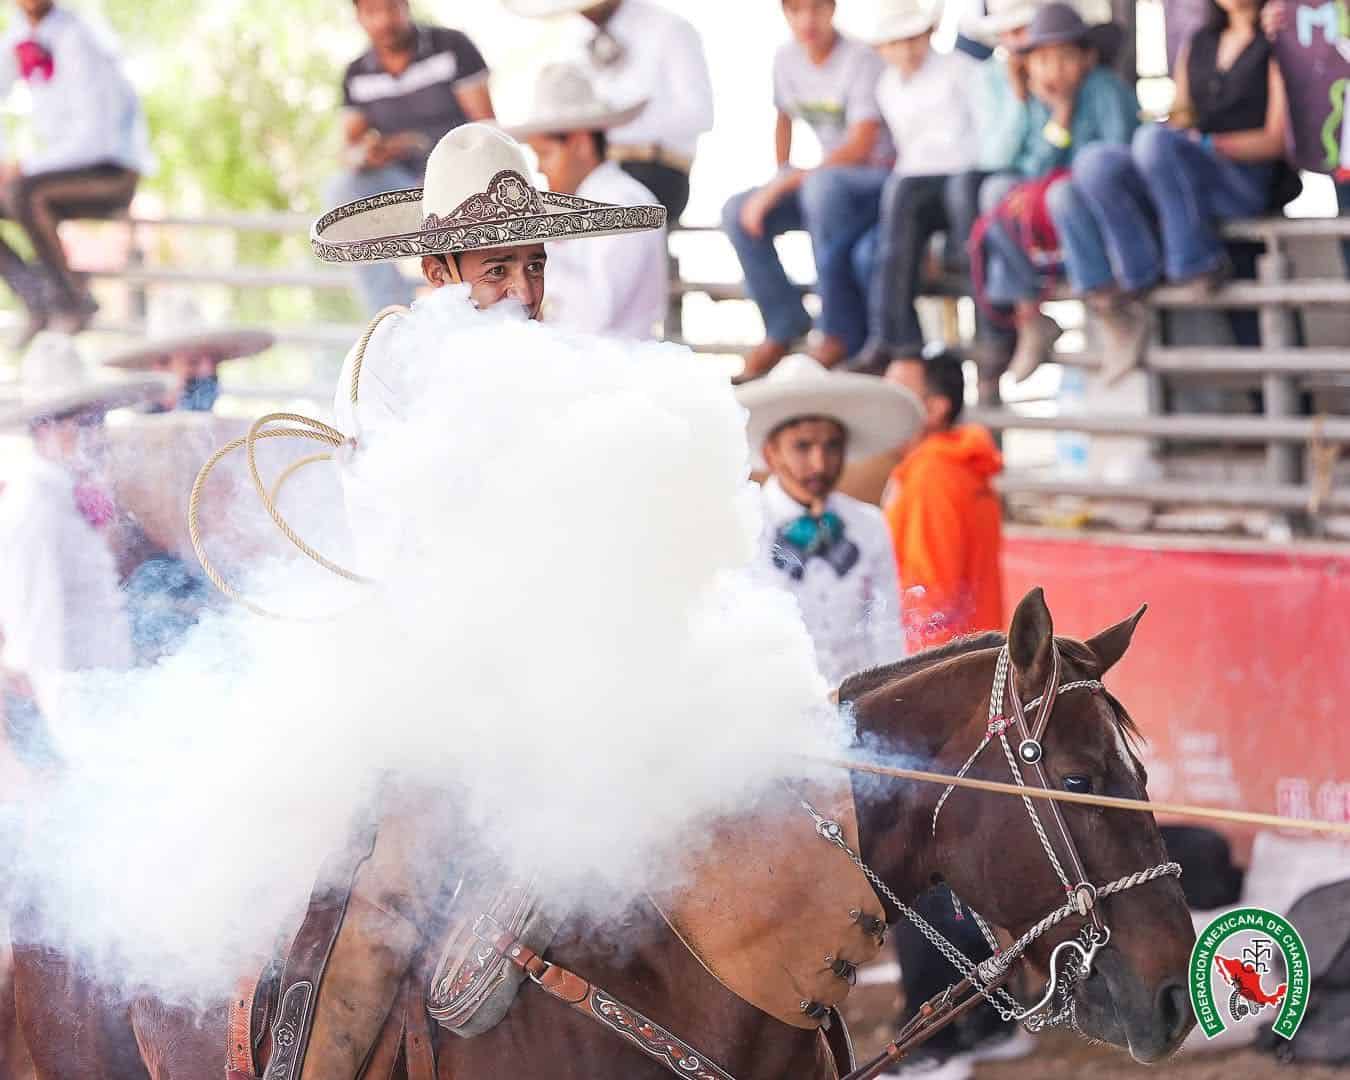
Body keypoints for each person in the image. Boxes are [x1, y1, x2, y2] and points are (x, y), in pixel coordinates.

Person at [271, 122, 665, 1078]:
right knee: (388, 906)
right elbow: (429, 543)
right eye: (499, 271)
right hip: (428, 691)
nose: (523, 294)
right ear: (442, 267)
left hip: (548, 686)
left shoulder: (549, 366)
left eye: (535, 267)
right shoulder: (395, 357)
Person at [1065, 0, 1297, 381]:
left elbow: (1277, 140)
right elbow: (1182, 113)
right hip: (1193, 176)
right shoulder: (1199, 42)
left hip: (1244, 178)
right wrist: (1177, 137)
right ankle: (1135, 282)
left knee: (1154, 143)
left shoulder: (1277, 43)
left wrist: (1206, 145)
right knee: (1096, 162)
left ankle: (1194, 262)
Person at [0, 333, 165, 764]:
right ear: (47, 426)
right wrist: (78, 753)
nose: (97, 434)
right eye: (85, 422)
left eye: (99, 420)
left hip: (106, 708)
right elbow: (39, 645)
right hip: (78, 727)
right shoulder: (33, 508)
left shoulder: (69, 495)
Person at [723, 0, 894, 382]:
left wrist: (790, 180)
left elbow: (862, 144)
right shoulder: (785, 59)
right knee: (737, 211)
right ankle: (782, 323)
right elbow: (783, 119)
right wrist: (779, 175)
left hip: (876, 182)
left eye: (816, 8)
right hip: (825, 184)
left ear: (832, 10)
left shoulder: (862, 59)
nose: (807, 20)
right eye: (796, 9)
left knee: (821, 189)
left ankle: (837, 331)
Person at [970, 3, 1137, 382]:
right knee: (995, 192)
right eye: (1042, 60)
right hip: (1050, 212)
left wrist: (1064, 122)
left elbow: (1111, 166)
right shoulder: (1038, 99)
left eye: (1064, 58)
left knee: (1063, 193)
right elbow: (1026, 168)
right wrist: (1058, 117)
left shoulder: (1105, 90)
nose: (1053, 70)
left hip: (1100, 211)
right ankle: (1030, 315)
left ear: (1087, 57)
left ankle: (1111, 310)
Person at [735, 355, 922, 684]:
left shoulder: (869, 524)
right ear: (771, 453)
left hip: (859, 712)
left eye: (832, 446)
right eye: (802, 447)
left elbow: (886, 627)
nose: (820, 464)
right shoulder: (744, 525)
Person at [0, 0, 150, 343]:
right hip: (57, 173)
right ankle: (35, 297)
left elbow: (93, 140)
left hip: (112, 172)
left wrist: (22, 167)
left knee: (22, 193)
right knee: (16, 191)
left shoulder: (79, 39)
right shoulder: (19, 35)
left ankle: (73, 300)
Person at [329, 0, 493, 314]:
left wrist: (441, 168)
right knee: (342, 189)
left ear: (405, 6)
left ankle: (472, 299)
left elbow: (486, 128)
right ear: (359, 17)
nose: (384, 20)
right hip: (402, 180)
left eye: (391, 8)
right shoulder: (357, 74)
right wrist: (370, 153)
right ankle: (392, 312)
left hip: (458, 173)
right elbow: (347, 152)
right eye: (372, 12)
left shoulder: (451, 47)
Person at [848, 0, 983, 377]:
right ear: (882, 49)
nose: (906, 49)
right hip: (916, 186)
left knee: (899, 203)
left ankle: (892, 339)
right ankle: (897, 338)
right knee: (890, 237)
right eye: (895, 42)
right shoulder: (887, 87)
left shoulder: (962, 71)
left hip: (964, 176)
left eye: (912, 38)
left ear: (928, 35)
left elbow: (982, 139)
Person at [502, 0, 714, 223]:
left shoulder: (669, 29)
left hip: (654, 169)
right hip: (591, 168)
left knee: (601, 201)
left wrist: (608, 128)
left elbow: (698, 113)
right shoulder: (574, 34)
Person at [507, 64, 668, 338]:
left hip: (614, 371)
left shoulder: (623, 204)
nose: (541, 169)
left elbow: (595, 314)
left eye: (545, 154)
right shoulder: (595, 202)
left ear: (580, 144)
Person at [882, 349, 1004, 652]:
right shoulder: (952, 466)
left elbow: (931, 600)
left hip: (941, 673)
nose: (880, 408)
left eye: (895, 397)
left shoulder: (933, 474)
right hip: (964, 665)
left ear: (934, 409)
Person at [102, 292, 275, 412]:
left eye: (215, 361)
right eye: (193, 362)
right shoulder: (131, 441)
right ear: (161, 366)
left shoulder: (225, 438)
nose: (209, 371)